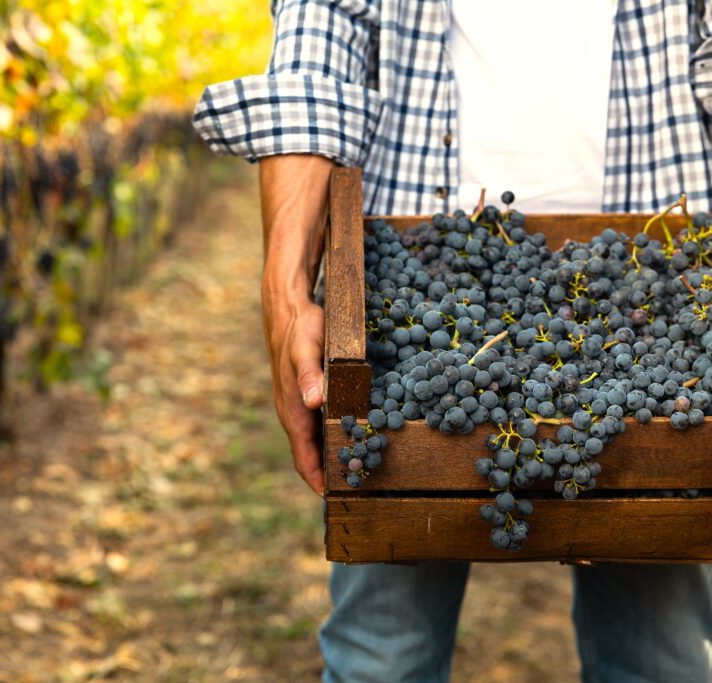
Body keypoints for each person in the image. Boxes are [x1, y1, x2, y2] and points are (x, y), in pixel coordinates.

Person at [193, 1, 712, 681]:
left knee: (662, 658)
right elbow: (322, 31)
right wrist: (284, 290)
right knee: (384, 658)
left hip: (654, 284)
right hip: (419, 274)